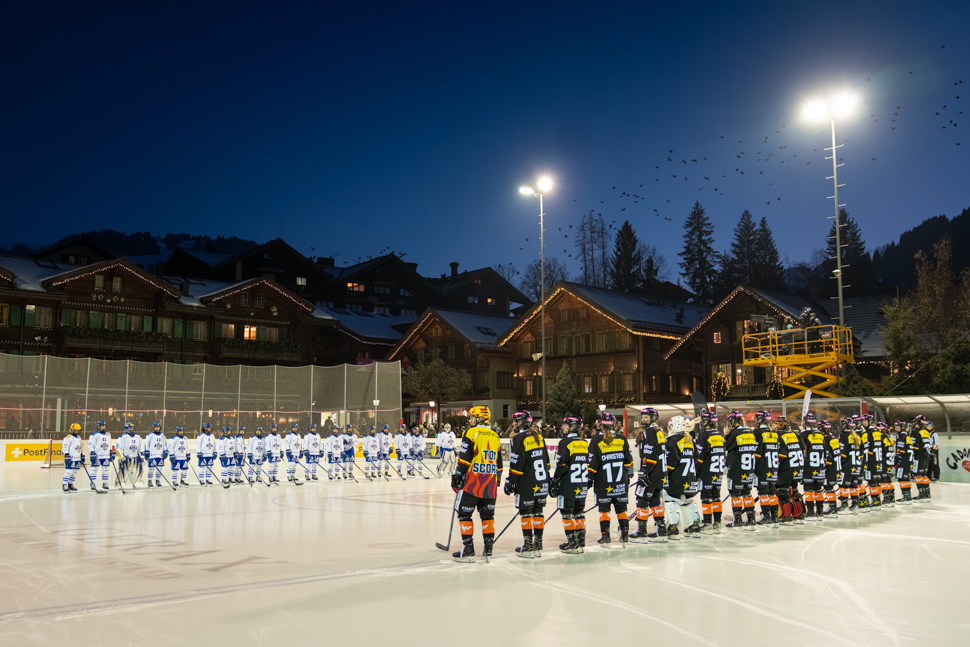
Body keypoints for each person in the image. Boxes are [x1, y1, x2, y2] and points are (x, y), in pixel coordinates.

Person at [450, 405, 502, 563]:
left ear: (480, 418)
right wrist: (497, 479)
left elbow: (464, 459)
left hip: (473, 482)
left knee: (464, 514)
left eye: (472, 417)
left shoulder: (470, 433)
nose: (470, 420)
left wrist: (457, 476)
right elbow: (499, 463)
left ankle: (468, 549)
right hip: (490, 481)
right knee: (488, 516)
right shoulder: (495, 435)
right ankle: (488, 548)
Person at [505, 411, 550, 558]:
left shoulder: (518, 439)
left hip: (527, 483)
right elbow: (547, 463)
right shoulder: (539, 437)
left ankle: (528, 546)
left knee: (526, 513)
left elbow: (516, 465)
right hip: (541, 482)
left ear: (520, 422)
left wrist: (511, 481)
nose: (513, 424)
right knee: (538, 512)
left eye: (514, 421)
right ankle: (538, 544)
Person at [588, 412, 634, 545]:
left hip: (603, 482)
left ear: (601, 425)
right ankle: (625, 535)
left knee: (604, 509)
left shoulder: (596, 440)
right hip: (620, 482)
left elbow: (592, 463)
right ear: (613, 424)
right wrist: (628, 475)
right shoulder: (621, 438)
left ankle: (605, 536)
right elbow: (628, 461)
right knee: (622, 508)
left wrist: (589, 479)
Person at [549, 416, 590, 554]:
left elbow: (562, 465)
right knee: (579, 512)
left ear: (573, 427)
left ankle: (572, 542)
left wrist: (555, 480)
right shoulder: (584, 442)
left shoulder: (565, 442)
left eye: (566, 425)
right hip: (581, 484)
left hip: (568, 484)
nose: (563, 427)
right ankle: (580, 541)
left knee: (567, 513)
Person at [663, 415, 702, 539]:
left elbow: (671, 462)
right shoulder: (690, 440)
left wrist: (664, 474)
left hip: (676, 478)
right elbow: (696, 458)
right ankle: (693, 526)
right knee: (688, 501)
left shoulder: (672, 440)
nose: (670, 428)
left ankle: (672, 527)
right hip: (689, 479)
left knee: (670, 500)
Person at [724, 411, 758, 530]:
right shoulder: (750, 432)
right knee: (747, 494)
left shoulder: (734, 433)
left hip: (737, 470)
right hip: (749, 470)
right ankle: (751, 518)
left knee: (736, 495)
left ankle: (737, 520)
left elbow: (724, 445)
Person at [695, 410, 726, 533]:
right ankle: (717, 522)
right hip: (718, 471)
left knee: (706, 497)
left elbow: (699, 457)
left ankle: (707, 523)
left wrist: (696, 472)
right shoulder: (720, 435)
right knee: (716, 496)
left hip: (707, 471)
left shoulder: (703, 435)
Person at [753, 411, 781, 527]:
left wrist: (753, 467)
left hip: (762, 467)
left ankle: (766, 516)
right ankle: (775, 516)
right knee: (772, 492)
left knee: (763, 492)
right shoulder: (774, 433)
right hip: (773, 467)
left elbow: (757, 453)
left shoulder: (758, 432)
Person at [776, 417, 804, 525]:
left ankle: (786, 516)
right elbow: (803, 449)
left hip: (786, 468)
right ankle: (799, 514)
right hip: (797, 467)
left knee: (782, 491)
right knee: (794, 490)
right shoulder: (795, 435)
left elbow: (781, 455)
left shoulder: (780, 436)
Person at [800, 416, 826, 520]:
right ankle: (820, 511)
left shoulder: (803, 435)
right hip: (820, 467)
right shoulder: (821, 435)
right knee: (818, 489)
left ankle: (810, 512)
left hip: (809, 467)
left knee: (809, 489)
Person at [894, 421, 916, 504]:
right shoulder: (907, 436)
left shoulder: (901, 436)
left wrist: (896, 461)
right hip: (909, 461)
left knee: (902, 478)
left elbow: (900, 451)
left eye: (898, 427)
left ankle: (906, 496)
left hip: (904, 461)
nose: (896, 428)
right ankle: (908, 495)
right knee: (906, 478)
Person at [88, 420, 112, 492]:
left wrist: (111, 452)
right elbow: (91, 444)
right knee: (94, 469)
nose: (104, 427)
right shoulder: (94, 435)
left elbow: (109, 444)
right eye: (102, 426)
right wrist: (92, 452)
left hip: (106, 455)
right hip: (97, 455)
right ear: (98, 426)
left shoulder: (108, 434)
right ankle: (92, 483)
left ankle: (105, 484)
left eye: (104, 426)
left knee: (105, 470)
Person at [117, 422, 143, 489]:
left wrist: (142, 454)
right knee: (124, 471)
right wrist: (121, 455)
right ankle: (122, 483)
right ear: (126, 429)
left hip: (135, 457)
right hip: (126, 457)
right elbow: (119, 447)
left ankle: (136, 482)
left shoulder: (138, 436)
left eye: (132, 428)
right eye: (129, 428)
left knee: (135, 471)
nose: (131, 429)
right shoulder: (122, 437)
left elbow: (140, 446)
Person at [914, 417, 933, 501]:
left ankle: (921, 494)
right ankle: (927, 493)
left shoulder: (915, 432)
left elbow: (914, 445)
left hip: (919, 455)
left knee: (918, 474)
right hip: (927, 455)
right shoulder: (926, 432)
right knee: (924, 475)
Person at [144, 421, 167, 488]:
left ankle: (157, 480)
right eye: (156, 427)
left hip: (160, 455)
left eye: (158, 427)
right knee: (151, 469)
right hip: (152, 455)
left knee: (159, 468)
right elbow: (146, 444)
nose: (157, 428)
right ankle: (150, 480)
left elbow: (165, 444)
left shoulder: (163, 436)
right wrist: (146, 451)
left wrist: (165, 451)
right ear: (154, 428)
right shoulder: (150, 435)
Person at [62, 423, 83, 493]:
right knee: (69, 471)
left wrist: (81, 455)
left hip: (77, 458)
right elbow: (65, 447)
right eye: (76, 430)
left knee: (74, 472)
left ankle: (70, 484)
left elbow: (80, 447)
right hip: (71, 458)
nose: (77, 432)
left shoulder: (79, 438)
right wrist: (66, 454)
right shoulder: (68, 437)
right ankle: (64, 484)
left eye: (78, 430)